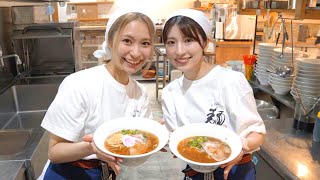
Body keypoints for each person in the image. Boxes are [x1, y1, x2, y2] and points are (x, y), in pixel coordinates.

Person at [39, 10, 156, 180]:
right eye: (127, 41)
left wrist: (149, 136)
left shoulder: (140, 94)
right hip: (67, 173)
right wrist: (92, 148)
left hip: (106, 173)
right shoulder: (80, 84)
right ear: (110, 40)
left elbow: (132, 147)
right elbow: (54, 152)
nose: (136, 53)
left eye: (145, 43)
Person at [161, 9, 266, 180]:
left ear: (204, 42)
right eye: (171, 42)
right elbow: (175, 138)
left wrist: (242, 146)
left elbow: (257, 133)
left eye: (188, 40)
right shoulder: (170, 93)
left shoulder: (230, 80)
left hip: (234, 171)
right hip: (195, 172)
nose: (179, 51)